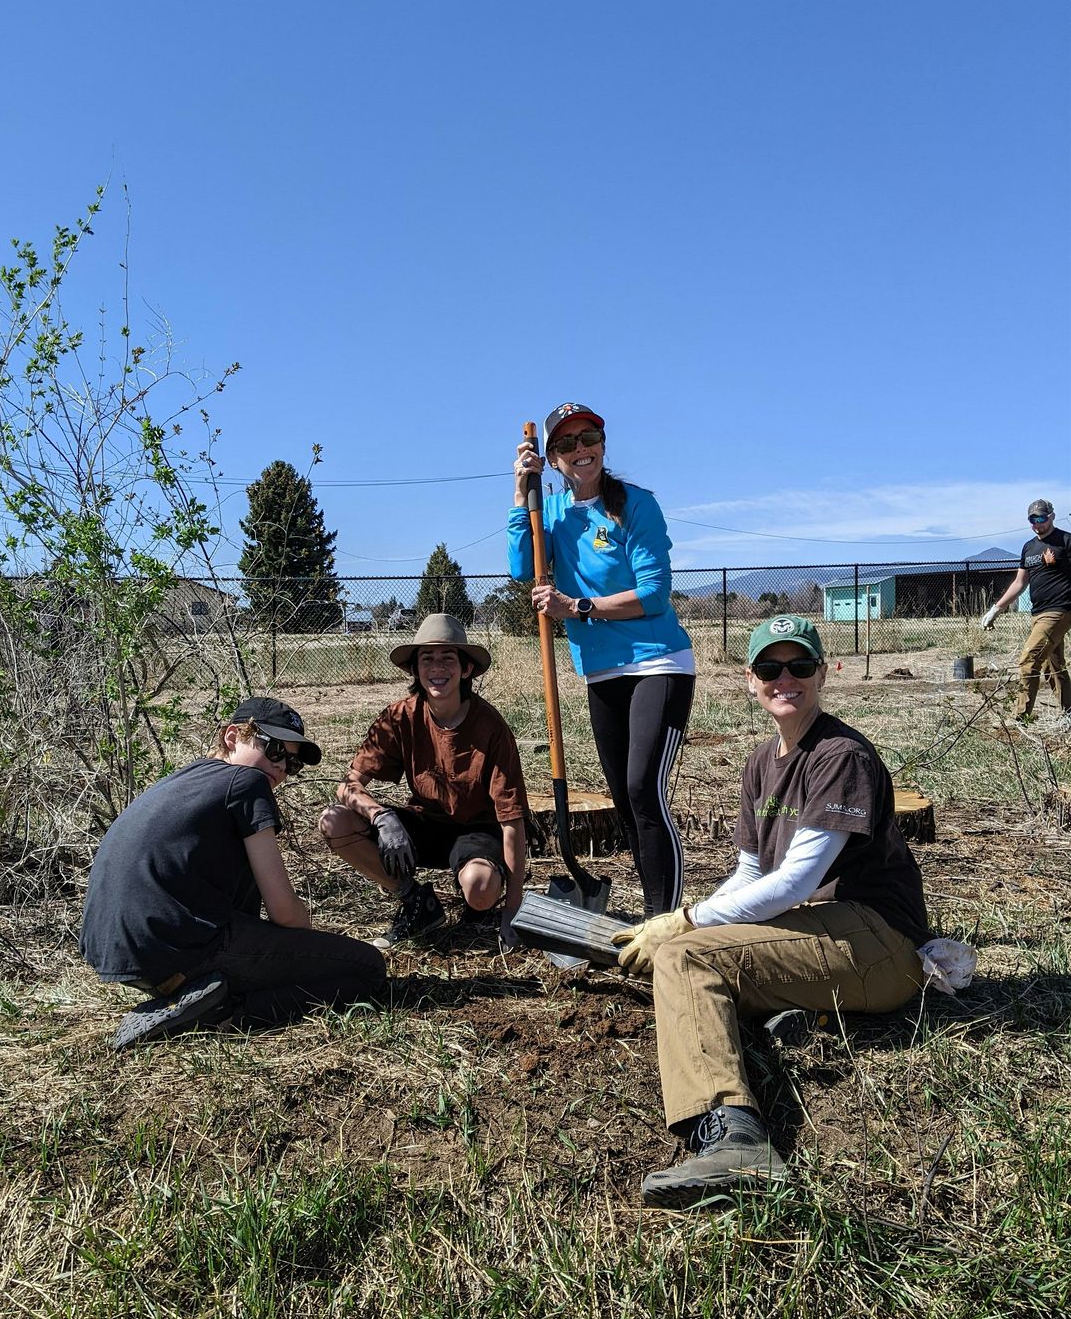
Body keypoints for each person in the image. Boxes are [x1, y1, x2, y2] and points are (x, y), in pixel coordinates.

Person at [613, 615, 929, 1208]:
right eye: (770, 668)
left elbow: (796, 881)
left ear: (823, 673)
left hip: (879, 941)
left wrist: (684, 922)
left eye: (800, 666)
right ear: (751, 681)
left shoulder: (840, 755)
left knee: (686, 960)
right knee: (703, 951)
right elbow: (752, 874)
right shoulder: (763, 761)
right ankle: (792, 1019)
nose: (785, 679)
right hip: (826, 932)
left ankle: (735, 1139)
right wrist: (699, 914)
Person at [81, 697, 386, 1050]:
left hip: (117, 953)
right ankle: (226, 1013)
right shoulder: (246, 783)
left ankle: (192, 993)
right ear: (232, 737)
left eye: (292, 763)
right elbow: (285, 914)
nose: (283, 768)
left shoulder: (185, 779)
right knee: (367, 967)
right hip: (178, 945)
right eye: (274, 750)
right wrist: (305, 945)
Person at [508, 402, 694, 917]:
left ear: (603, 445)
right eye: (566, 444)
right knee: (625, 802)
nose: (580, 450)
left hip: (658, 663)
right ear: (551, 458)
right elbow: (523, 566)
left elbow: (654, 594)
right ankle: (656, 915)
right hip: (602, 672)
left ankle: (665, 925)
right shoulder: (554, 514)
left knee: (643, 788)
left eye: (588, 438)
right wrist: (521, 491)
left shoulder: (635, 505)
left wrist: (578, 607)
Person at [319, 614, 527, 949]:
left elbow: (512, 817)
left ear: (466, 669)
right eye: (426, 659)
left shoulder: (490, 727)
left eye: (447, 658)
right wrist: (381, 816)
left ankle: (480, 900)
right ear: (415, 670)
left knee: (479, 887)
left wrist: (513, 909)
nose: (437, 668)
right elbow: (347, 785)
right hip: (422, 825)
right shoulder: (399, 717)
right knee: (335, 820)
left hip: (476, 830)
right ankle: (416, 902)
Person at [980, 497, 1071, 725]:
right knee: (1053, 665)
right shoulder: (1029, 547)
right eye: (1032, 519)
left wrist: (1058, 564)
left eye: (1041, 518)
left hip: (1060, 610)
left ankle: (1020, 717)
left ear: (1051, 516)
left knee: (1029, 660)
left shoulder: (1065, 541)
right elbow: (1020, 583)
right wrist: (996, 609)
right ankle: (1069, 711)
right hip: (1038, 612)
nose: (1037, 523)